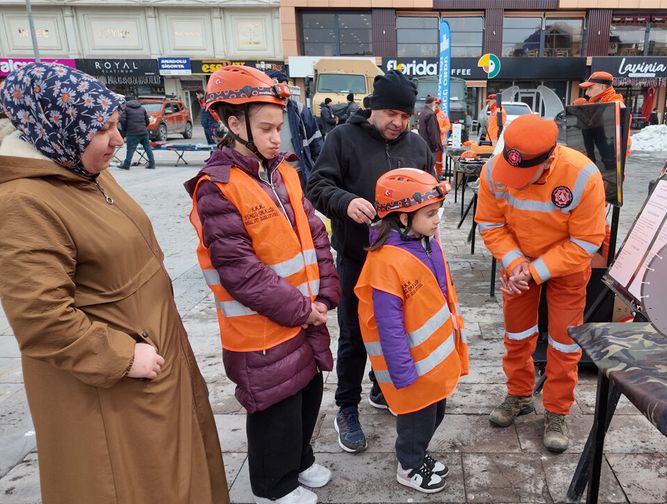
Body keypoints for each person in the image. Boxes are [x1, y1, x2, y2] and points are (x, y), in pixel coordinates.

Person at [0, 62, 228, 503]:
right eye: (102, 128)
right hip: (116, 383)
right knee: (134, 485)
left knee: (177, 475)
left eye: (115, 124)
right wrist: (123, 356)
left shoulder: (83, 172)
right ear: (56, 128)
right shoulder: (24, 202)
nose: (120, 140)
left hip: (153, 364)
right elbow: (41, 319)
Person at [185, 65, 339, 504]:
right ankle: (273, 487)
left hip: (305, 315)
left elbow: (316, 235)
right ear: (234, 124)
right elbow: (240, 271)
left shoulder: (284, 172)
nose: (277, 138)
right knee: (275, 406)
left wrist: (326, 293)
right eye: (266, 129)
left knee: (307, 391)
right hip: (260, 330)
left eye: (280, 128)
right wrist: (301, 308)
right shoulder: (217, 187)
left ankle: (301, 460)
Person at [306, 69, 435, 454]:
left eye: (405, 115)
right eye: (391, 113)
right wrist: (346, 202)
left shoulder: (416, 145)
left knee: (397, 332)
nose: (398, 122)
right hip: (357, 258)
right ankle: (347, 407)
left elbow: (430, 194)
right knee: (355, 336)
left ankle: (384, 388)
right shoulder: (342, 138)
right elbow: (317, 186)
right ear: (374, 108)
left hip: (405, 262)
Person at [475, 114, 606, 453]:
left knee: (564, 343)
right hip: (517, 265)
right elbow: (490, 224)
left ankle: (556, 410)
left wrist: (535, 271)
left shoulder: (582, 175)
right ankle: (519, 395)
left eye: (523, 175)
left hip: (566, 269)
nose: (513, 181)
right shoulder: (493, 169)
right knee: (517, 334)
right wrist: (516, 264)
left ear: (549, 159)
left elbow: (586, 242)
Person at [356, 168, 468, 493]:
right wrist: (402, 374)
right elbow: (389, 327)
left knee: (436, 412)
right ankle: (409, 465)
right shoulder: (386, 262)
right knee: (416, 422)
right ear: (402, 218)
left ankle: (420, 454)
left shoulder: (425, 242)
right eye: (430, 214)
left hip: (432, 364)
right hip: (411, 368)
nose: (437, 220)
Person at [265, 70, 323, 186]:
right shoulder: (259, 113)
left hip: (300, 174)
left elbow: (317, 146)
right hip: (271, 177)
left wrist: (322, 175)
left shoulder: (300, 111)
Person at [118, 95, 156, 169]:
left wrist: (125, 130)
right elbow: (147, 121)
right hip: (144, 132)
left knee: (130, 149)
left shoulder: (126, 109)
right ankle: (152, 164)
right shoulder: (142, 108)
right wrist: (143, 127)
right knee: (147, 148)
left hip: (132, 132)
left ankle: (126, 165)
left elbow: (122, 120)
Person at [418, 96, 443, 175]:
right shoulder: (430, 114)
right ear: (433, 103)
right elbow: (433, 133)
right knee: (430, 168)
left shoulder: (422, 112)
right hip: (431, 147)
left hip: (423, 144)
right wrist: (436, 145)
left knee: (425, 168)